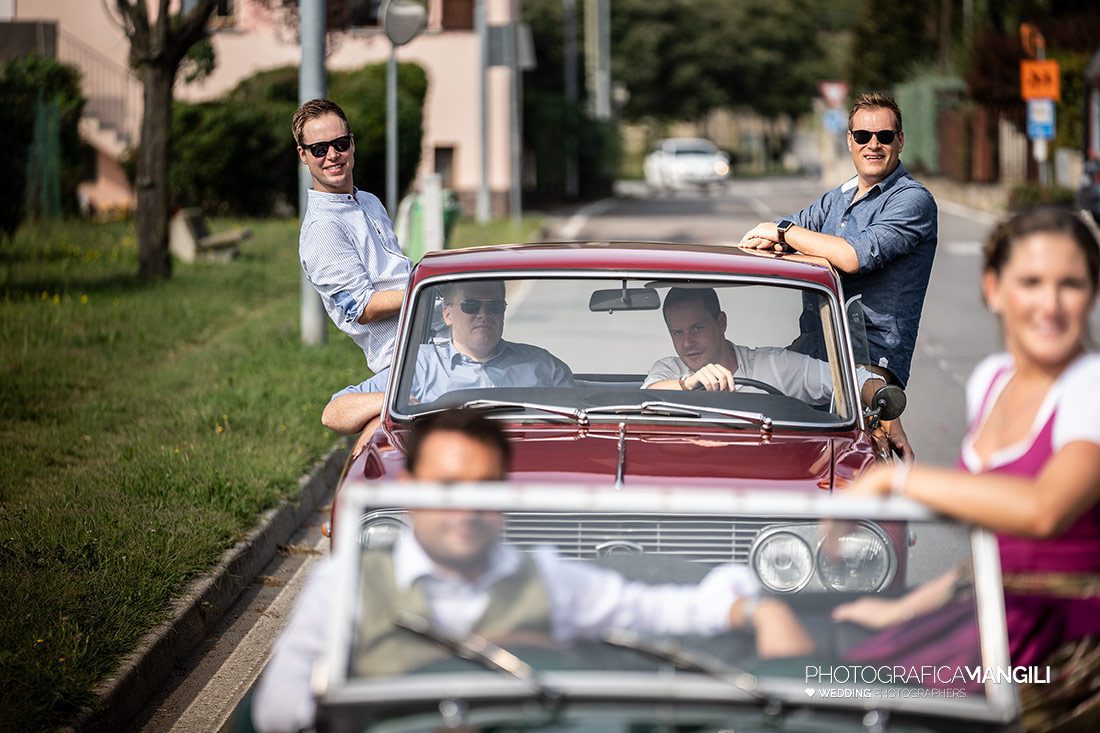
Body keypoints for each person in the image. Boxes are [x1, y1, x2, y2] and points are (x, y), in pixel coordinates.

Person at [252, 408, 814, 733]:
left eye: (484, 489)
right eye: (446, 488)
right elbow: (280, 705)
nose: (465, 508)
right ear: (411, 490)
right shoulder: (346, 583)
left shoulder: (542, 578)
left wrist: (754, 608)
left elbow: (651, 607)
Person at [838, 207, 1100, 729]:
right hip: (1002, 623)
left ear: (1091, 294)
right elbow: (992, 557)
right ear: (994, 289)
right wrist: (901, 611)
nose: (1050, 305)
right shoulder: (991, 380)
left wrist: (895, 479)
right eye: (1031, 282)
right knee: (831, 675)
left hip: (1070, 656)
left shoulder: (1090, 386)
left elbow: (1044, 510)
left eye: (1070, 284)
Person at [738, 93, 937, 388]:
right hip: (817, 349)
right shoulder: (840, 197)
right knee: (743, 383)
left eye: (884, 136)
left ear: (900, 140)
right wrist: (778, 237)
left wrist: (783, 233)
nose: (873, 145)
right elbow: (790, 228)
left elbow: (854, 257)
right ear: (850, 141)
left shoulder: (911, 200)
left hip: (868, 361)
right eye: (862, 136)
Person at [645, 287, 913, 459]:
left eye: (696, 328)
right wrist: (688, 383)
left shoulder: (773, 365)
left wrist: (891, 422)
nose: (687, 342)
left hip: (770, 481)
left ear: (721, 322)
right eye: (677, 333)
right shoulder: (669, 370)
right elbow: (647, 396)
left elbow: (857, 379)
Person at [321, 280, 574, 436]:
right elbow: (333, 413)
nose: (484, 314)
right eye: (471, 306)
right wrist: (394, 400)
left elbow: (580, 429)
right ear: (447, 314)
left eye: (494, 306)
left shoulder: (543, 366)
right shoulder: (420, 366)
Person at [294, 98, 411, 375]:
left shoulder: (369, 201)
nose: (333, 155)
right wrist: (428, 291)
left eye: (341, 143)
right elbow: (362, 308)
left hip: (435, 334)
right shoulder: (322, 229)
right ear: (303, 155)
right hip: (402, 358)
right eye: (319, 149)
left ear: (352, 144)